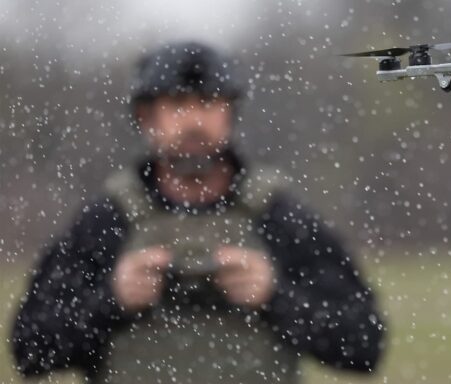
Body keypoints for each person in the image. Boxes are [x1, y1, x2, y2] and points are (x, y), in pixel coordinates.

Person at [11, 41, 385, 383]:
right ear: (147, 118)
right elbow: (29, 348)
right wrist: (111, 299)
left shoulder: (278, 218)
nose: (194, 122)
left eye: (208, 104)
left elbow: (364, 345)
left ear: (230, 113)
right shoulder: (107, 222)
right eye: (177, 105)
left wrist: (275, 297)